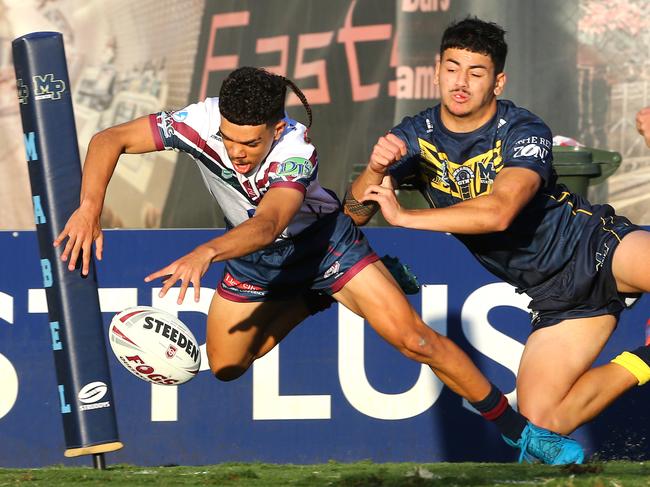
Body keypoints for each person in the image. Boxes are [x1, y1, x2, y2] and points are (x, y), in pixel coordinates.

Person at [54, 66, 582, 464]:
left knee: (414, 340)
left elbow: (267, 223)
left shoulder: (293, 147)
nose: (238, 153)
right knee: (227, 365)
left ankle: (522, 433)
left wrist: (207, 250)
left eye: (250, 143)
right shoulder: (196, 124)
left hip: (325, 244)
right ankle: (314, 298)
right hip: (258, 260)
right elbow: (109, 140)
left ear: (275, 126)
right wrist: (89, 208)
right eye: (230, 140)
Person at [348, 16, 650, 459]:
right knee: (544, 423)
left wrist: (405, 218)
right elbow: (353, 214)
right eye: (452, 68)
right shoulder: (415, 135)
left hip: (597, 246)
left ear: (498, 81)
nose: (460, 83)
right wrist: (376, 168)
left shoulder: (522, 130)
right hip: (554, 296)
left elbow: (501, 212)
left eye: (476, 73)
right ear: (436, 70)